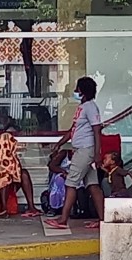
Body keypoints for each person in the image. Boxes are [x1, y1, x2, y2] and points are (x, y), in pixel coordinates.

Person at [45, 77, 105, 230]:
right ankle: (103, 219)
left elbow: (97, 130)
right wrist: (59, 143)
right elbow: (73, 130)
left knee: (71, 182)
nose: (75, 92)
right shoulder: (82, 107)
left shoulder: (91, 107)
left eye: (77, 89)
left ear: (83, 91)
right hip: (82, 150)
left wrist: (97, 153)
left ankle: (63, 219)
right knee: (93, 185)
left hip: (85, 150)